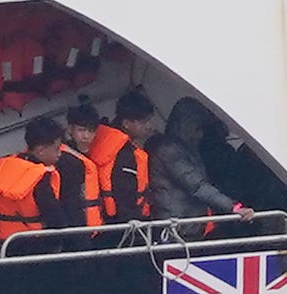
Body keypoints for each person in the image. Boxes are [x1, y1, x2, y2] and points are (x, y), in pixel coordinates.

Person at [146, 98, 256, 236]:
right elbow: (196, 185)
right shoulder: (169, 150)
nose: (201, 134)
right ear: (188, 126)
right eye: (199, 128)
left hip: (186, 224)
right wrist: (233, 206)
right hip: (176, 227)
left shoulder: (186, 148)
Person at [0, 116, 69, 251]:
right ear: (40, 150)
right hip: (34, 246)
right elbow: (56, 219)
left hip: (1, 245)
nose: (60, 153)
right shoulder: (40, 177)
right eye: (57, 148)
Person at [90, 89, 154, 224]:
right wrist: (133, 222)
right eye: (143, 122)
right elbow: (125, 192)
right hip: (126, 223)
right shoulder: (125, 153)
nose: (149, 126)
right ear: (126, 123)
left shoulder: (104, 139)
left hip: (106, 219)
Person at [56, 101, 105, 240]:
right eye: (81, 130)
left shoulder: (87, 157)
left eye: (91, 131)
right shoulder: (65, 159)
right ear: (70, 129)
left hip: (92, 229)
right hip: (75, 230)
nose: (86, 136)